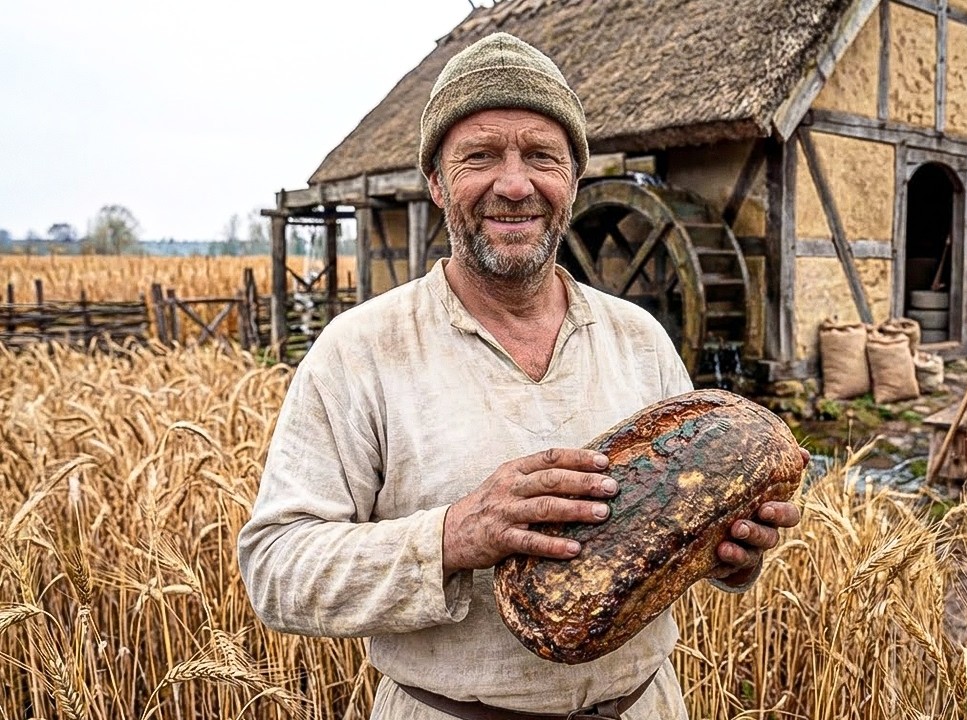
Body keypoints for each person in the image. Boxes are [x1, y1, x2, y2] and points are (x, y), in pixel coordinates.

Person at [238, 32, 802, 720]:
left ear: (572, 181)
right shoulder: (360, 352)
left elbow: (667, 540)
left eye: (541, 156)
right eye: (480, 157)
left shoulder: (639, 338)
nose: (514, 184)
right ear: (438, 182)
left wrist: (732, 553)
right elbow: (275, 570)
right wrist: (450, 536)